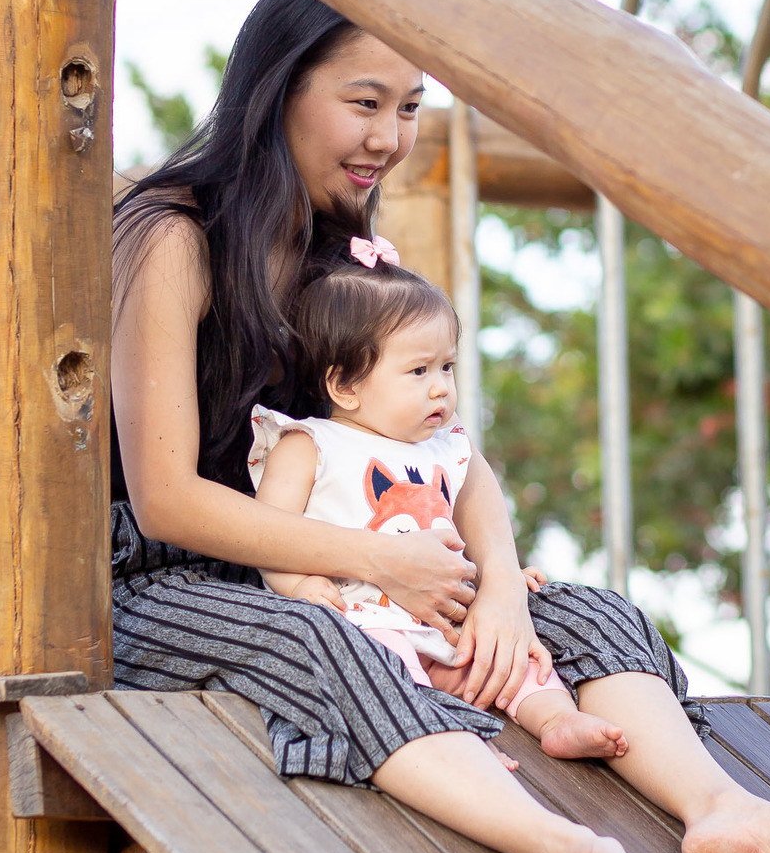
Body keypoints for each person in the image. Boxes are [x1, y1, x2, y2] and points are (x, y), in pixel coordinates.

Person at [111, 0, 770, 853]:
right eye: (364, 103)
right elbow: (164, 501)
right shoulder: (174, 238)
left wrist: (495, 590)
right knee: (328, 641)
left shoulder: (345, 258)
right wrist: (382, 565)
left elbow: (454, 458)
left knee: (585, 611)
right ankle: (560, 848)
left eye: (409, 108)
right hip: (164, 589)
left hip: (355, 566)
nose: (390, 137)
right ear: (277, 92)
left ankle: (721, 813)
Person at [248, 235, 630, 765]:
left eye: (446, 367)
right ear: (345, 385)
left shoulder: (446, 449)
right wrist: (298, 584)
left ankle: (557, 718)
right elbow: (266, 535)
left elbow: (471, 529)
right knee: (380, 666)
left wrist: (499, 576)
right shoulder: (309, 444)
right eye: (418, 371)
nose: (441, 389)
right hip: (364, 618)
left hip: (446, 623)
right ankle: (449, 740)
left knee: (513, 660)